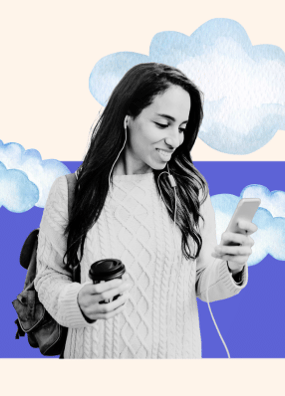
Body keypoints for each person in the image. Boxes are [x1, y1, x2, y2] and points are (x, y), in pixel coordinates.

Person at [34, 63, 257, 359]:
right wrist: (77, 301)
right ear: (127, 117)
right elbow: (48, 278)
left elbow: (203, 283)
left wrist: (232, 265)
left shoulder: (191, 191)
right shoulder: (70, 191)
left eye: (182, 128)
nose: (175, 140)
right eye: (162, 124)